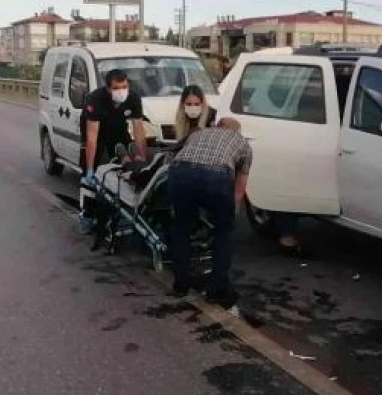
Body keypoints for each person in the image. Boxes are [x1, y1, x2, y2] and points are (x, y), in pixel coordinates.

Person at [167, 117, 252, 307]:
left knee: (181, 228)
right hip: (216, 176)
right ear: (237, 132)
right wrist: (230, 215)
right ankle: (217, 290)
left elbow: (180, 157)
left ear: (217, 126)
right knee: (224, 232)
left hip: (180, 172)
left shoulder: (198, 133)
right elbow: (239, 190)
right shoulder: (243, 144)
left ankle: (180, 284)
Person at [78, 69, 147, 245]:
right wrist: (91, 168)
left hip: (119, 134)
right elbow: (92, 137)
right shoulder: (95, 100)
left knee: (122, 173)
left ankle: (118, 213)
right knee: (92, 180)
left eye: (124, 86)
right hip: (97, 137)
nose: (121, 91)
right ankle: (87, 215)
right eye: (117, 88)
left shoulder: (133, 98)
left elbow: (139, 130)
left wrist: (142, 158)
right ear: (108, 89)